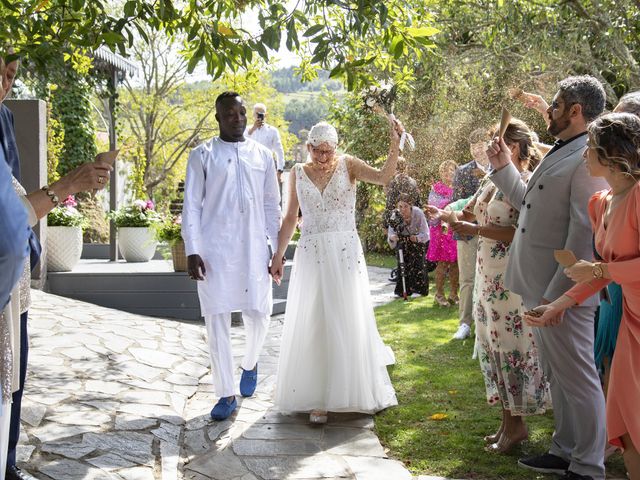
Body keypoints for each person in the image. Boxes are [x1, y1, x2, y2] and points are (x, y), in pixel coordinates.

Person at [488, 75, 608, 480]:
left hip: (561, 292)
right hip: (539, 287)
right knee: (559, 376)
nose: (549, 112)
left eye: (555, 105)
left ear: (575, 111)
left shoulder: (590, 156)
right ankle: (564, 450)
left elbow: (582, 234)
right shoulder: (566, 149)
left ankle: (589, 466)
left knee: (580, 380)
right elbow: (530, 205)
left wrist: (560, 298)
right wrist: (503, 167)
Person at [525, 112, 640, 479]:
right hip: (631, 324)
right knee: (626, 424)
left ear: (612, 154)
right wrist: (557, 305)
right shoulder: (600, 203)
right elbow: (596, 270)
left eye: (589, 147)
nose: (583, 154)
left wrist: (601, 271)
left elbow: (601, 270)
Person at [429, 119, 550, 453]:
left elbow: (519, 232)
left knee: (511, 347)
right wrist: (449, 218)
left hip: (510, 281)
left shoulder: (526, 183)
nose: (488, 149)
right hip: (487, 274)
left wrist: (476, 229)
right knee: (492, 346)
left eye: (496, 143)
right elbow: (471, 214)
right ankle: (505, 424)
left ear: (513, 147)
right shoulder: (491, 180)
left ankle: (518, 426)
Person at [270, 119, 402, 424]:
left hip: (344, 250)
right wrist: (278, 254)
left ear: (336, 148)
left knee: (344, 315)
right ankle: (317, 397)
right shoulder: (297, 174)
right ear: (309, 148)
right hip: (311, 251)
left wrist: (394, 143)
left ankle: (348, 390)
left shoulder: (349, 165)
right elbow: (290, 217)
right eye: (318, 151)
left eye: (329, 151)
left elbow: (384, 178)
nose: (324, 157)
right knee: (315, 316)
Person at [182, 92, 280, 422]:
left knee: (261, 311)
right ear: (218, 118)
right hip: (215, 249)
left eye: (241, 113)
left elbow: (271, 205)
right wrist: (192, 248)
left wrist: (277, 249)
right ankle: (225, 393)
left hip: (254, 247)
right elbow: (192, 205)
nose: (237, 119)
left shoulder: (263, 155)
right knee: (217, 318)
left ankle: (250, 363)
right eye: (230, 114)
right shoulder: (202, 155)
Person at [451, 127, 491, 339]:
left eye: (480, 145)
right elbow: (457, 203)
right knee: (467, 279)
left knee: (490, 278)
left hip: (493, 232)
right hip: (467, 234)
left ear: (488, 144)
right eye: (472, 146)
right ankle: (465, 323)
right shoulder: (463, 172)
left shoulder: (499, 167)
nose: (476, 150)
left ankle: (488, 321)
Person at [426, 160, 459, 307]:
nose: (449, 174)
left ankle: (453, 294)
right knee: (443, 262)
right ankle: (439, 294)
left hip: (456, 228)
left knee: (456, 263)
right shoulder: (437, 189)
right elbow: (433, 208)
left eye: (452, 170)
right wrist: (448, 206)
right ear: (441, 173)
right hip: (441, 230)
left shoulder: (460, 188)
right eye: (445, 171)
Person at [388, 193, 429, 297]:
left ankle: (419, 289)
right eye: (400, 206)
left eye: (405, 206)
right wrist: (393, 237)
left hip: (417, 242)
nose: (403, 209)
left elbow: (426, 232)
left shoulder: (418, 213)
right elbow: (391, 232)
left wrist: (417, 238)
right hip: (402, 240)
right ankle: (402, 290)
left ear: (410, 205)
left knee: (418, 264)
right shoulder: (395, 215)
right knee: (403, 265)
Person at [245, 102, 285, 183]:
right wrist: (253, 128)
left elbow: (279, 151)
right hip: (250, 169)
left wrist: (280, 170)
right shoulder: (246, 130)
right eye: (256, 113)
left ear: (265, 115)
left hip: (268, 169)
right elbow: (242, 144)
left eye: (261, 114)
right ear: (253, 114)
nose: (258, 116)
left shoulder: (272, 131)